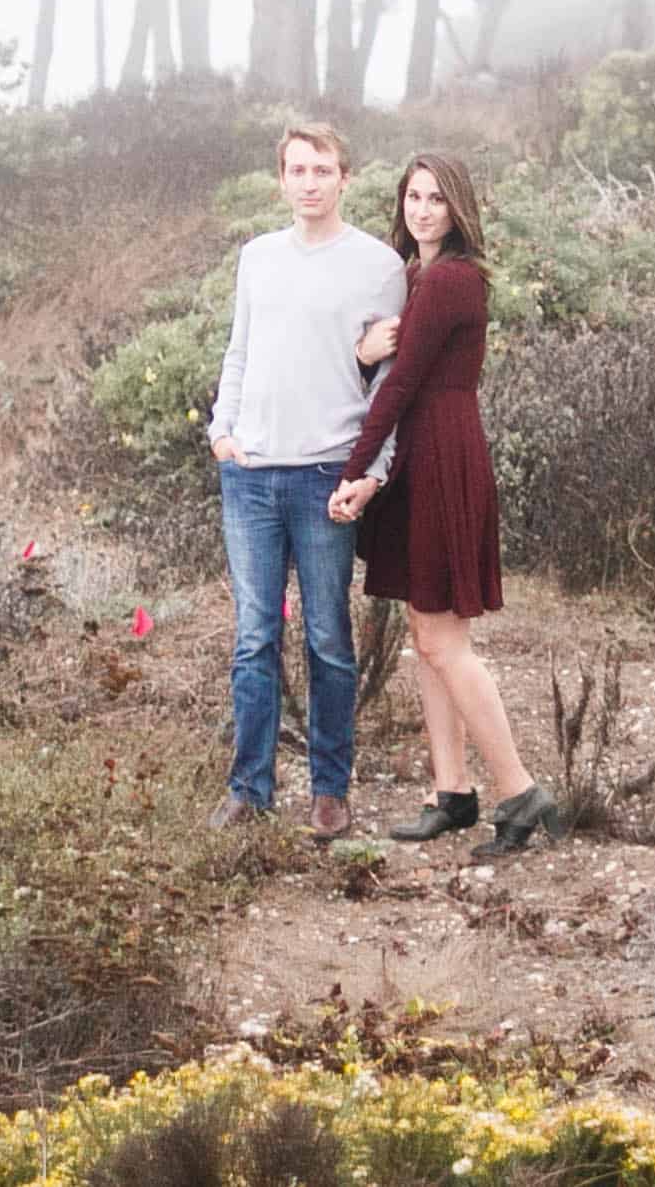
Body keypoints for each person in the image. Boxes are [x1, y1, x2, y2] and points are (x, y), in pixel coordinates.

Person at [329, 151, 556, 853]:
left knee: (443, 638)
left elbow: (399, 387)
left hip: (439, 455)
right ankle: (451, 790)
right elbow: (384, 370)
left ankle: (519, 792)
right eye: (412, 196)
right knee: (426, 639)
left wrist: (355, 465)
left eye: (435, 198)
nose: (421, 209)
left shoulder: (450, 279)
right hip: (421, 454)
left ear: (458, 209)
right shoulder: (416, 276)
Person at [205, 120, 405, 842]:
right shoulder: (257, 258)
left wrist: (373, 472)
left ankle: (330, 791)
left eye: (323, 168)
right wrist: (221, 433)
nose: (310, 181)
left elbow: (389, 384)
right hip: (251, 476)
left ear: (345, 178)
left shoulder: (380, 266)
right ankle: (249, 789)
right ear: (282, 179)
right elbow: (240, 348)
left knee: (327, 638)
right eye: (297, 169)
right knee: (254, 638)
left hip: (326, 474)